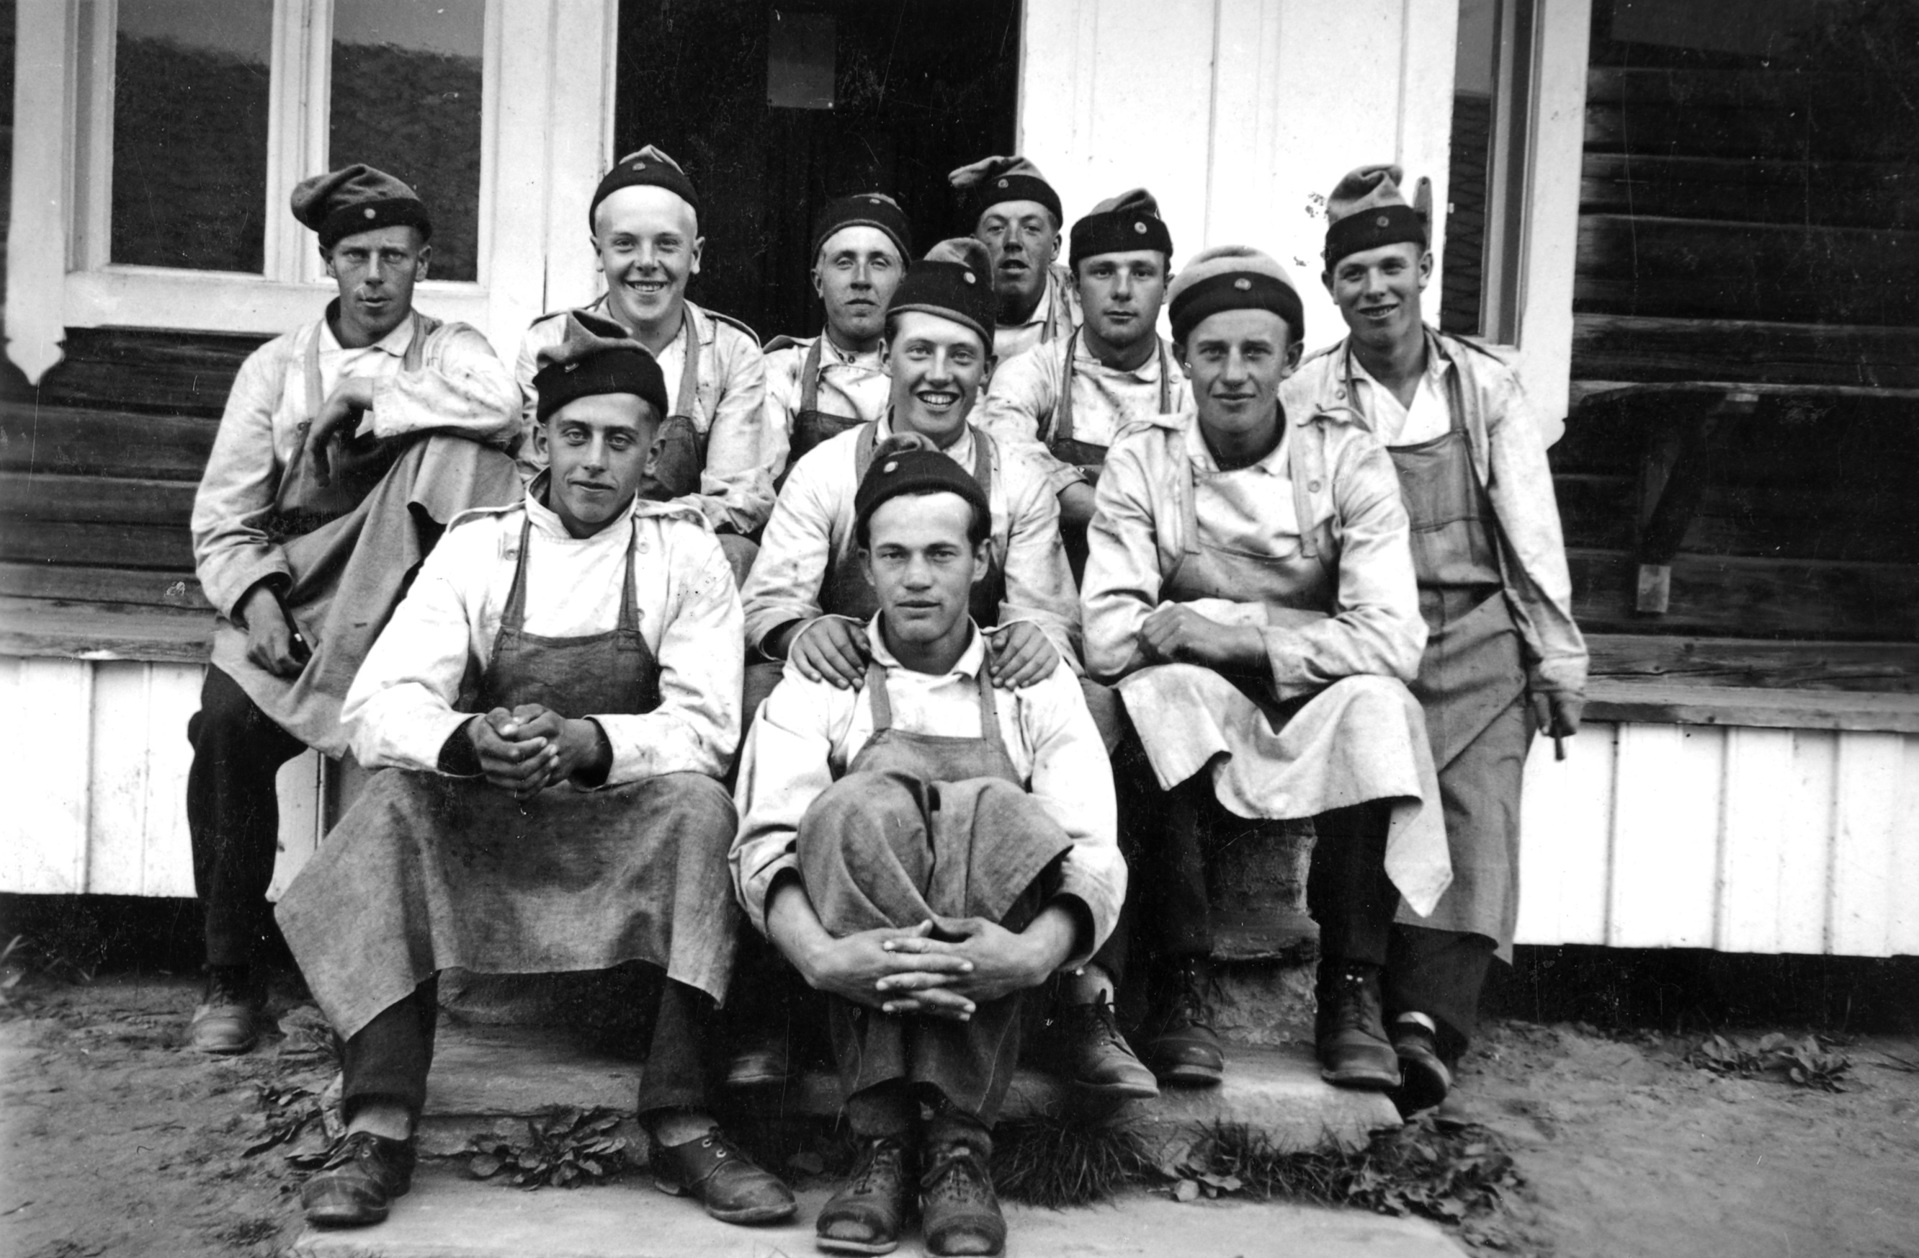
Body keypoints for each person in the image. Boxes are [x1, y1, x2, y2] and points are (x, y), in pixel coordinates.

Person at [276, 314, 794, 1231]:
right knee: (391, 804)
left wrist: (591, 742)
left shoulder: (685, 553)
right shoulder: (477, 545)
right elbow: (379, 705)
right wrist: (467, 740)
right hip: (494, 820)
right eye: (575, 435)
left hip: (616, 829)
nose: (594, 461)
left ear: (654, 455)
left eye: (620, 442)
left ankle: (683, 1120)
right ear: (540, 442)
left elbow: (708, 729)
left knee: (704, 811)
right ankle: (379, 1121)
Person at [736, 239, 1148, 1101]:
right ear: (885, 357)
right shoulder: (827, 468)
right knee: (765, 700)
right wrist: (803, 632)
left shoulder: (1017, 477)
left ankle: (1079, 988)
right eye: (918, 350)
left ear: (985, 370)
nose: (937, 374)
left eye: (961, 356)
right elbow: (768, 598)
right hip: (855, 672)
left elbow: (1045, 609)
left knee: (1097, 709)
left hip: (976, 681)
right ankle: (773, 992)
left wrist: (1032, 640)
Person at [732, 448, 1126, 1257]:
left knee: (999, 809)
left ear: (981, 562)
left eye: (941, 554)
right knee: (853, 805)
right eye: (894, 555)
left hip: (1000, 977)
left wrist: (1029, 955)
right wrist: (818, 959)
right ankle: (881, 1136)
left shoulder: (1031, 679)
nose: (916, 578)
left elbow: (1091, 847)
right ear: (864, 566)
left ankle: (956, 1146)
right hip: (852, 975)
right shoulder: (825, 678)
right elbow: (765, 840)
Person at [1081, 245, 1452, 1092]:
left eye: (1256, 352)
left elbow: (1392, 638)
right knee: (1157, 695)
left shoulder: (1346, 458)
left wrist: (1234, 636)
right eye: (1211, 352)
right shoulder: (1144, 458)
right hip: (1200, 699)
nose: (1233, 375)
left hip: (1309, 696)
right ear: (1181, 360)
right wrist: (1236, 643)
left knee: (1379, 707)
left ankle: (1350, 989)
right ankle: (1180, 983)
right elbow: (1107, 635)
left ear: (1291, 360)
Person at [184, 165, 521, 1056]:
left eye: (395, 257)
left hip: (411, 600)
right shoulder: (275, 369)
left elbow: (502, 407)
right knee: (224, 730)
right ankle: (230, 974)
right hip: (302, 594)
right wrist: (256, 602)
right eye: (357, 256)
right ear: (328, 263)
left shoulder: (451, 350)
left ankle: (408, 981)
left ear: (424, 264)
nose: (375, 277)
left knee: (467, 457)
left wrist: (366, 395)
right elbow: (224, 518)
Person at [1298, 165, 1587, 1113]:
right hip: (1368, 636)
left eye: (1392, 267)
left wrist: (1556, 659)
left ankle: (1429, 1023)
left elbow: (1530, 534)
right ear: (1330, 287)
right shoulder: (1309, 393)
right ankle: (1364, 1002)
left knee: (1475, 817)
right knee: (1377, 810)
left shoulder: (1484, 388)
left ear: (1423, 271)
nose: (1375, 289)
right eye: (1354, 273)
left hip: (1477, 638)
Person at [516, 146, 771, 583]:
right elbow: (533, 475)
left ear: (695, 254)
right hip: (571, 546)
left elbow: (737, 497)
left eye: (667, 244)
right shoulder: (550, 341)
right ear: (599, 253)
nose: (647, 262)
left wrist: (635, 528)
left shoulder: (731, 351)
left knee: (738, 554)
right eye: (625, 244)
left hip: (677, 556)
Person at [977, 188, 1190, 581]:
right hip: (1052, 596)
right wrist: (1130, 519)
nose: (1122, 290)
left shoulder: (1189, 386)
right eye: (1103, 272)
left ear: (1166, 288)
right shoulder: (1034, 371)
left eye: (1141, 272)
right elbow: (1002, 457)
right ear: (1074, 287)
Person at [762, 193, 912, 481]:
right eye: (844, 262)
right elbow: (760, 489)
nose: (861, 279)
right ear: (819, 282)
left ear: (903, 282)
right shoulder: (780, 371)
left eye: (879, 263)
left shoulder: (920, 375)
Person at [947, 155, 1080, 361]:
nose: (1013, 241)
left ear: (1054, 247)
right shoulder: (947, 303)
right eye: (996, 228)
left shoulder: (1080, 303)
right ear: (974, 248)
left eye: (1031, 228)